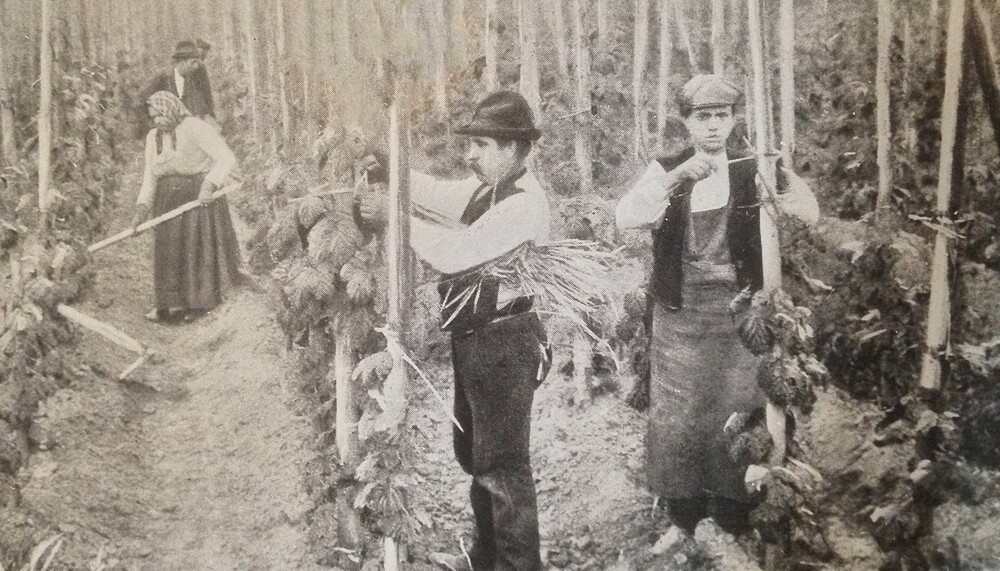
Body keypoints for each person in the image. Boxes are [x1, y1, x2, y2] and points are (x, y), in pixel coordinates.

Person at [615, 75, 818, 536]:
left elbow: (809, 210)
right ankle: (682, 519)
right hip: (679, 318)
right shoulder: (667, 167)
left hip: (739, 319)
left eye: (721, 116)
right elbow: (626, 217)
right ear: (685, 122)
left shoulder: (754, 164)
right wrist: (673, 180)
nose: (712, 127)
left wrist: (783, 191)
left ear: (733, 119)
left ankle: (734, 517)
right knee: (677, 420)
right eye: (701, 117)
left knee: (738, 412)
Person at [358, 91, 552, 571]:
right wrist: (392, 165)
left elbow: (453, 252)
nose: (470, 155)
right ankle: (487, 557)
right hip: (476, 339)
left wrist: (394, 219)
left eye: (480, 145)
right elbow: (436, 196)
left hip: (506, 343)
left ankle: (517, 565)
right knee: (475, 455)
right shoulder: (489, 188)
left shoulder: (524, 204)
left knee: (502, 467)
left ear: (511, 148)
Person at [132, 91, 241, 323]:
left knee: (194, 249)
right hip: (166, 200)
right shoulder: (154, 137)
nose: (156, 122)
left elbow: (225, 157)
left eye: (160, 115)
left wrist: (209, 184)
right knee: (168, 251)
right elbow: (149, 177)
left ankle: (198, 304)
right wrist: (142, 209)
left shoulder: (194, 127)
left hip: (196, 198)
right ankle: (169, 305)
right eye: (153, 118)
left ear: (171, 110)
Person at [139, 41, 216, 122]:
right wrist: (153, 122)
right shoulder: (163, 77)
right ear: (182, 62)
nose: (196, 66)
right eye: (193, 62)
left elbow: (203, 107)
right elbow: (140, 101)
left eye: (197, 62)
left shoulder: (192, 82)